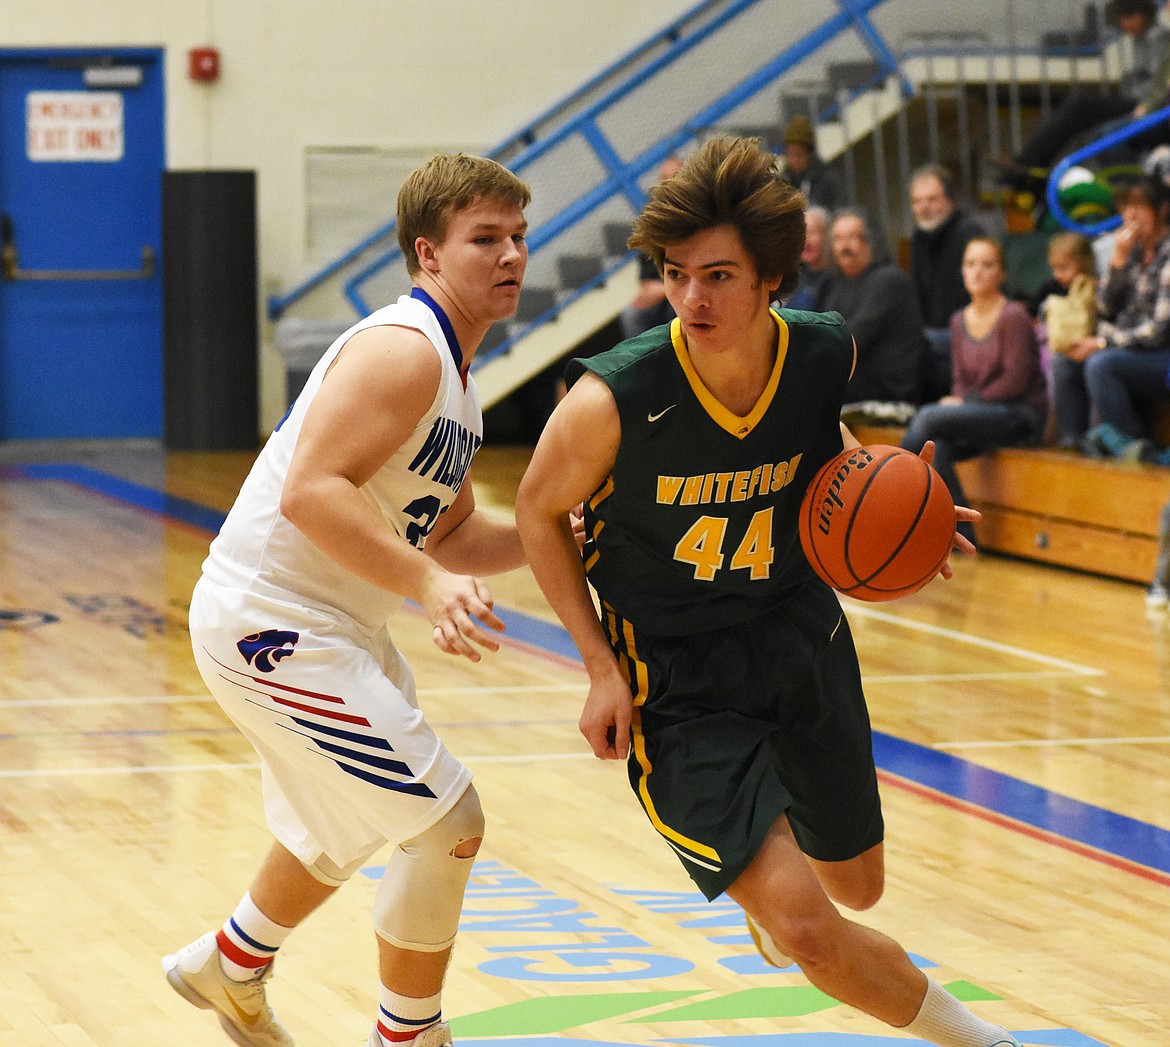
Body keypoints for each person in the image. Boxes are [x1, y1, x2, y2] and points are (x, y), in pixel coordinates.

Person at [514, 134, 1022, 1047]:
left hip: (796, 632)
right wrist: (597, 665)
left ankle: (771, 855)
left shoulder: (822, 353)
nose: (691, 298)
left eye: (717, 276)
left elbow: (826, 454)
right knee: (807, 926)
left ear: (771, 280)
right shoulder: (614, 401)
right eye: (675, 275)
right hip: (675, 673)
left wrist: (905, 507)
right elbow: (534, 509)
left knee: (856, 883)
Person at [162, 153, 532, 1047]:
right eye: (486, 238)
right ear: (428, 252)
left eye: (520, 235)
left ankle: (231, 962)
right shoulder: (404, 351)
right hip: (272, 621)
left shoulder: (460, 386)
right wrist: (427, 584)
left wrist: (564, 532)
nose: (512, 254)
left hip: (330, 624)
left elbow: (450, 534)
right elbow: (311, 492)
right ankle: (409, 1035)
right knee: (446, 822)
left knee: (347, 821)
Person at [901, 238, 1048, 544]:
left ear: (1002, 274)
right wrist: (964, 405)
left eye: (987, 264)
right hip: (980, 416)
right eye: (970, 264)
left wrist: (966, 404)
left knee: (929, 417)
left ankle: (885, 484)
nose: (977, 272)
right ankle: (960, 536)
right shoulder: (958, 321)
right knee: (936, 446)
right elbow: (959, 380)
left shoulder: (1013, 316)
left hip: (1019, 415)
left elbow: (1016, 381)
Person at [994, 0, 1170, 193]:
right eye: (1122, 19)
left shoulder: (1160, 37)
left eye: (1130, 18)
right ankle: (1030, 165)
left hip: (1149, 107)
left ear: (1144, 14)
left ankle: (1028, 163)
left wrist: (1146, 106)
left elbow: (1162, 83)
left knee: (1083, 108)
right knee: (1085, 120)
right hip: (1139, 103)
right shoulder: (1141, 40)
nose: (1125, 25)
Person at [1052, 175, 1170, 451]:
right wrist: (1116, 263)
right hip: (1130, 347)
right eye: (1125, 207)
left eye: (1138, 206)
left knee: (1101, 364)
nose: (1130, 215)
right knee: (1064, 361)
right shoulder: (1129, 251)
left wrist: (1104, 343)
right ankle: (1075, 445)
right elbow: (1104, 308)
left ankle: (1132, 447)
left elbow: (1160, 332)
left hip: (1162, 353)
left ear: (1161, 209)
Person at [816, 207, 926, 414]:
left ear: (871, 241)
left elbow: (851, 339)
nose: (844, 246)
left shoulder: (889, 280)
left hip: (889, 389)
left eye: (852, 238)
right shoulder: (835, 284)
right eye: (838, 239)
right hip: (855, 383)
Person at [908, 164, 988, 401]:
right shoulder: (918, 239)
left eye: (932, 199)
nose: (924, 208)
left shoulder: (969, 233)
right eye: (917, 201)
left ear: (951, 201)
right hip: (933, 333)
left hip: (969, 333)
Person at [619, 155, 686, 340]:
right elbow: (647, 279)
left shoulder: (702, 214)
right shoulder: (652, 221)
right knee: (631, 314)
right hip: (665, 287)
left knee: (678, 307)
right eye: (666, 181)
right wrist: (661, 289)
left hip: (691, 284)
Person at [780, 114, 845, 210]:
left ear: (809, 154)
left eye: (798, 155)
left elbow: (840, 208)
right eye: (789, 155)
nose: (793, 160)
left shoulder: (828, 177)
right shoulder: (783, 180)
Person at [782, 204, 829, 311]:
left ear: (828, 235)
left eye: (811, 232)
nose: (805, 239)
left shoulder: (835, 280)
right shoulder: (796, 276)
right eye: (801, 232)